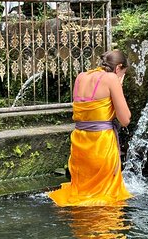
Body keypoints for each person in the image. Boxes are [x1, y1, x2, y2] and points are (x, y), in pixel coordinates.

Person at [48, 50, 133, 206]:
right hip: (101, 143)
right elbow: (125, 119)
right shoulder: (112, 78)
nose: (122, 77)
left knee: (83, 193)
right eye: (123, 73)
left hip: (80, 143)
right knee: (104, 201)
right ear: (118, 67)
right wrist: (118, 85)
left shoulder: (81, 77)